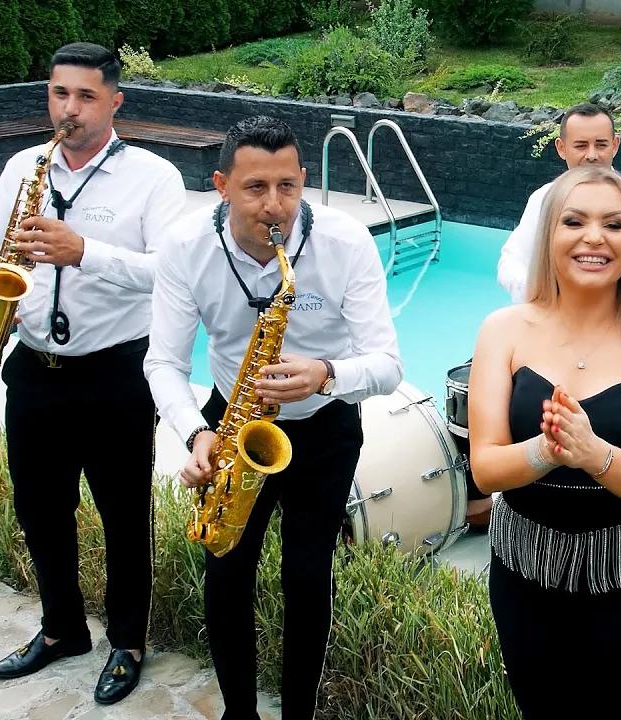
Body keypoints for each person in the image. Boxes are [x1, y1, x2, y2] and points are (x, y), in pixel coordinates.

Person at [143, 115, 403, 719]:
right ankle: (238, 712)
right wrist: (196, 432)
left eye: (287, 186)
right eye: (255, 187)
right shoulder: (186, 247)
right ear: (221, 186)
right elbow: (163, 362)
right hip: (232, 424)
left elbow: (388, 365)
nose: (275, 205)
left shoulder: (345, 242)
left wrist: (327, 374)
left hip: (324, 426)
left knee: (308, 578)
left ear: (303, 180)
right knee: (225, 572)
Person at [0, 42, 186, 705]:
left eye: (85, 96)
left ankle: (127, 642)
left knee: (124, 516)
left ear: (115, 102)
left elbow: (169, 273)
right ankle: (62, 630)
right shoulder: (22, 168)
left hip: (116, 375)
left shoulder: (154, 178)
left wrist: (84, 253)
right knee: (40, 510)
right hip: (34, 371)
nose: (68, 109)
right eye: (58, 93)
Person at [469, 165, 621, 718]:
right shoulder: (503, 330)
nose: (594, 238)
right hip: (526, 568)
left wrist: (594, 454)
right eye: (574, 222)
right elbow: (485, 468)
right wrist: (547, 450)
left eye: (614, 225)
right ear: (548, 233)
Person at [497, 103, 621, 310]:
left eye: (601, 145)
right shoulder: (542, 200)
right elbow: (511, 263)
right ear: (561, 148)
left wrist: (604, 312)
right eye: (581, 146)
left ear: (615, 145)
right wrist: (548, 303)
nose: (592, 155)